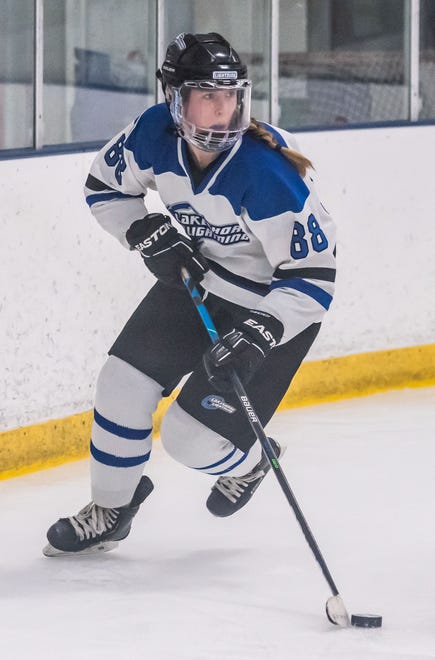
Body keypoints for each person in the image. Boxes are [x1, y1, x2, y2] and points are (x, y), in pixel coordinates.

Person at [43, 32, 336, 557]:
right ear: (175, 100)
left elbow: (313, 277)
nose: (222, 111)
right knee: (121, 384)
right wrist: (142, 231)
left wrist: (260, 333)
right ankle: (113, 508)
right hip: (200, 283)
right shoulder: (153, 134)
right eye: (207, 96)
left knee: (190, 439)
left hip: (274, 310)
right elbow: (105, 187)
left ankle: (253, 461)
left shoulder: (266, 172)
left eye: (230, 96)